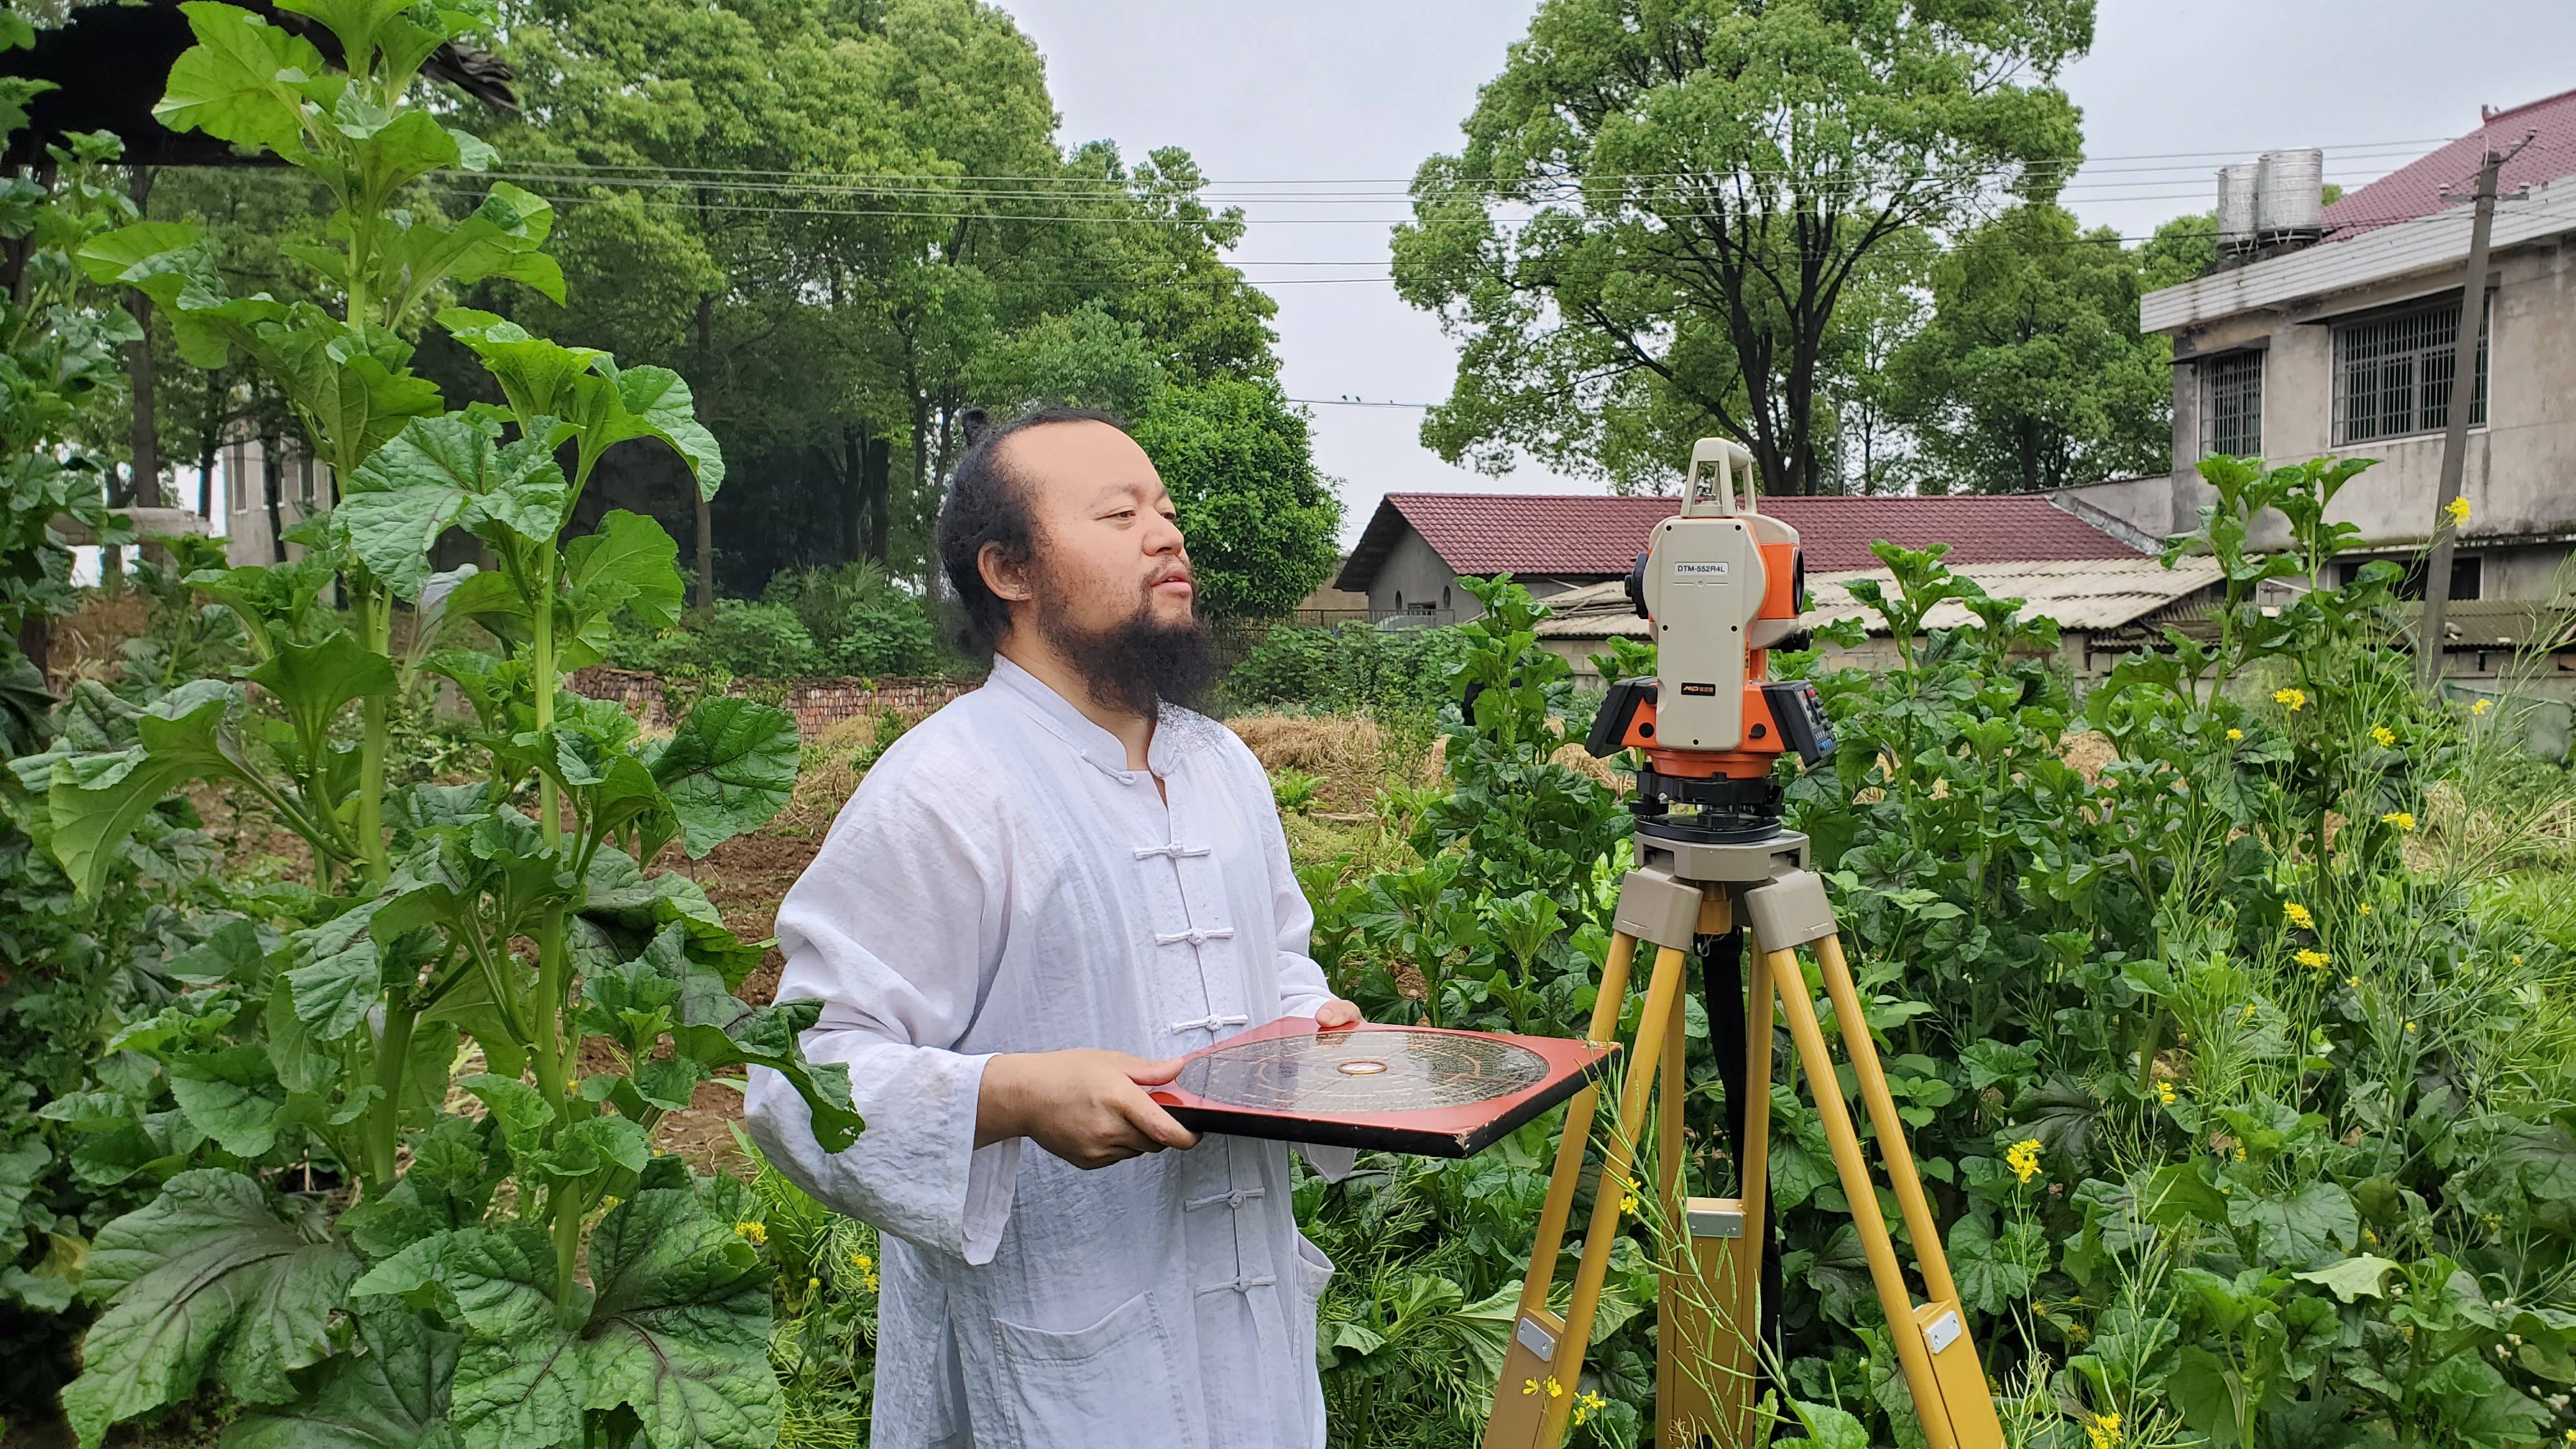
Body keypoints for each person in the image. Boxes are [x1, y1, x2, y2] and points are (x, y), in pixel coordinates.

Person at [744, 406, 1365, 1448]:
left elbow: (1279, 965)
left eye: (1165, 510)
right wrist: (1015, 1095)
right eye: (1120, 515)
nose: (1167, 535)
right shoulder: (946, 789)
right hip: (1055, 1356)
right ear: (1009, 571)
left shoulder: (1223, 766)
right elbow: (801, 1075)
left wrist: (1314, 1030)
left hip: (1248, 1318)